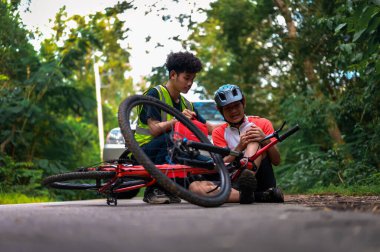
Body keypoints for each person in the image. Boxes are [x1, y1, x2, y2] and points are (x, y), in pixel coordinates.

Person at [135, 51, 214, 204]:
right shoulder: (155, 94)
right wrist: (178, 119)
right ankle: (154, 190)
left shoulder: (187, 104)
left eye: (192, 79)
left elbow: (208, 128)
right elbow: (155, 129)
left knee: (207, 162)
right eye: (186, 78)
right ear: (173, 75)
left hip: (171, 149)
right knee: (172, 138)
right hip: (144, 151)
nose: (190, 83)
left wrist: (235, 124)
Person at [189, 84, 284, 204]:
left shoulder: (262, 123)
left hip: (262, 179)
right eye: (228, 108)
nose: (233, 111)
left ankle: (247, 177)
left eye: (236, 105)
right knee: (194, 187)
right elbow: (222, 165)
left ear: (243, 103)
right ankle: (257, 196)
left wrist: (265, 140)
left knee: (253, 139)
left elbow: (277, 161)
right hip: (234, 183)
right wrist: (239, 148)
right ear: (220, 110)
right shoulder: (218, 132)